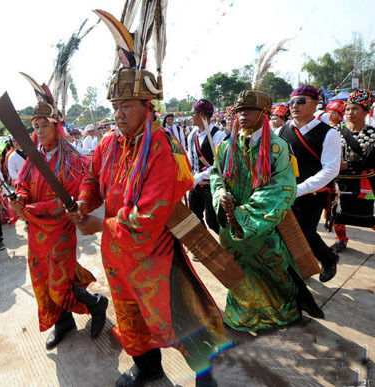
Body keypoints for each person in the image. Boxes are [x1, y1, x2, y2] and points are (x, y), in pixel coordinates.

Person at [71, 8, 226, 385]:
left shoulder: (163, 148)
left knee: (179, 317)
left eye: (126, 106)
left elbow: (151, 214)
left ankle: (206, 377)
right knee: (129, 315)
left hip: (155, 255)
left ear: (147, 106)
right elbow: (92, 179)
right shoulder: (108, 143)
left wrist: (99, 224)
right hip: (116, 253)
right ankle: (148, 367)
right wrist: (82, 202)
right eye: (115, 106)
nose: (118, 113)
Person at [211, 89, 323, 331]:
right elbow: (216, 177)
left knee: (274, 271)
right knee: (239, 273)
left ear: (264, 114)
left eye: (250, 110)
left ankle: (280, 312)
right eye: (240, 110)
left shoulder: (277, 147)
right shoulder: (225, 146)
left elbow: (281, 187)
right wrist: (222, 198)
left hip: (261, 225)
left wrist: (241, 215)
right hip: (232, 227)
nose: (242, 115)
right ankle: (242, 314)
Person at [10, 74, 108, 349]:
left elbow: (73, 200)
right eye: (36, 126)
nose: (39, 131)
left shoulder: (74, 159)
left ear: (57, 126)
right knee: (41, 278)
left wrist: (32, 208)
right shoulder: (35, 157)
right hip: (36, 230)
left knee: (58, 282)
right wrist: (19, 198)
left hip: (60, 230)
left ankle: (96, 303)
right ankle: (62, 322)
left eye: (44, 125)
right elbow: (23, 184)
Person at [279, 86, 341, 283]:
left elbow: (330, 170)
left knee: (304, 233)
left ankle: (329, 258)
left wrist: (301, 189)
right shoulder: (283, 129)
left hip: (313, 193)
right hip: (285, 191)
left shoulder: (328, 133)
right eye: (292, 102)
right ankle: (297, 267)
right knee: (284, 232)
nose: (295, 105)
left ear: (315, 104)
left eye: (301, 101)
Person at [331, 90, 375, 251]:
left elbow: (371, 160)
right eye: (348, 109)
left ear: (365, 111)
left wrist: (348, 165)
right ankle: (341, 239)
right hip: (339, 180)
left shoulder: (372, 134)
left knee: (366, 216)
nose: (350, 112)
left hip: (363, 181)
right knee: (337, 213)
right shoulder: (336, 132)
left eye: (355, 109)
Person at [187, 99, 227, 234]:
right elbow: (190, 158)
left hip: (213, 185)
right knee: (194, 218)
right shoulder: (192, 134)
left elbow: (220, 165)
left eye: (192, 113)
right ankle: (209, 250)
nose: (190, 116)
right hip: (195, 184)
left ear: (203, 115)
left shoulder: (219, 136)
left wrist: (199, 177)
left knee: (213, 221)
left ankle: (227, 248)